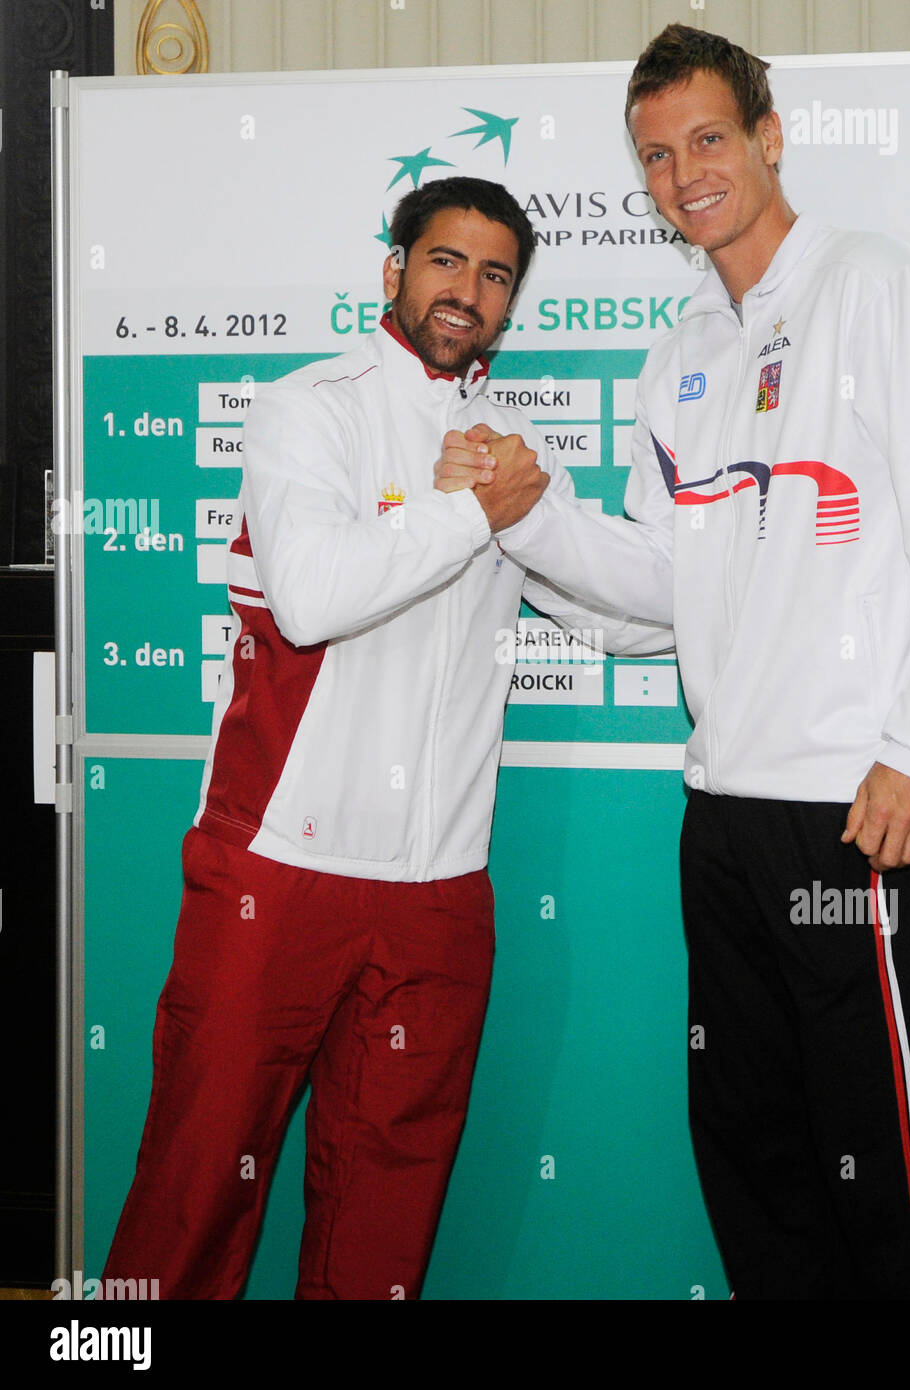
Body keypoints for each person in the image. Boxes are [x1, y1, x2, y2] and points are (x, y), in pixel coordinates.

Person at [446, 27, 910, 1299]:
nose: (680, 174)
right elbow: (666, 595)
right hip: (725, 809)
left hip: (861, 810)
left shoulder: (872, 285)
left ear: (767, 137)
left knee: (892, 1171)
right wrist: (528, 518)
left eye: (705, 140)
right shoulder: (683, 356)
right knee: (754, 1154)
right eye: (655, 155)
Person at [102, 176, 670, 1301]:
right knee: (192, 1196)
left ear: (512, 304)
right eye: (446, 261)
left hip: (438, 895)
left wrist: (531, 511)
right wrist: (467, 512)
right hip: (278, 872)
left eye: (495, 273)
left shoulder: (507, 455)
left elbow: (640, 623)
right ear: (393, 273)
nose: (467, 290)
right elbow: (310, 597)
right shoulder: (307, 407)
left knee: (385, 1225)